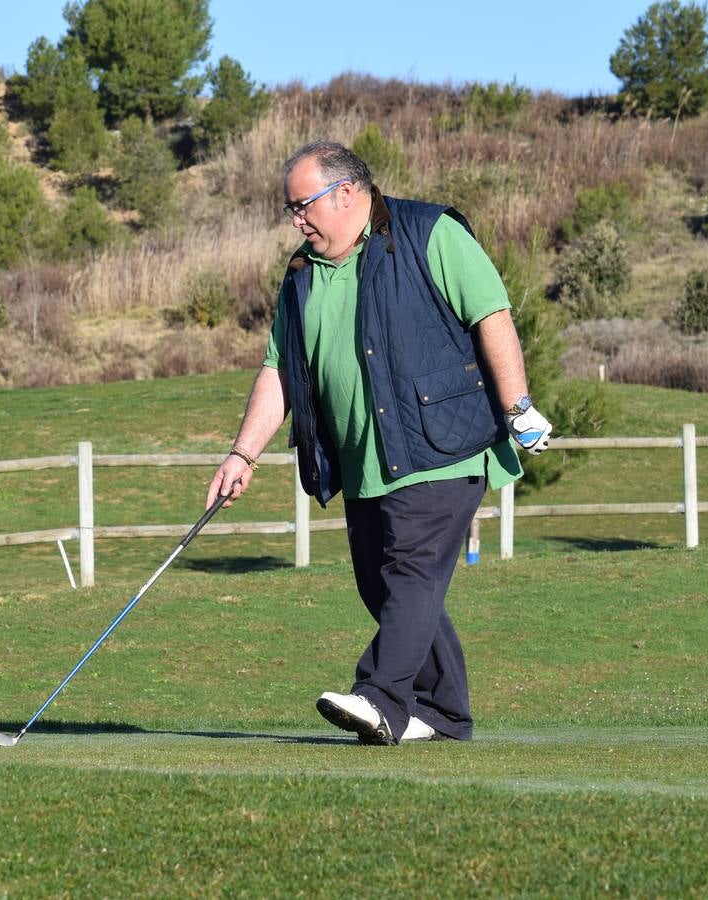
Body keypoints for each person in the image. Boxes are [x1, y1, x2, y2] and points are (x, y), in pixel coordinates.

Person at [205, 140, 552, 745]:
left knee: (410, 571)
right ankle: (443, 712)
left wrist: (517, 406)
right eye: (290, 209)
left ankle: (381, 697)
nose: (296, 220)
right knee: (385, 585)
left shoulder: (430, 231)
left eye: (302, 206)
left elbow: (491, 314)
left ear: (347, 192)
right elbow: (279, 370)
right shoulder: (300, 277)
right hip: (364, 460)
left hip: (444, 445)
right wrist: (243, 454)